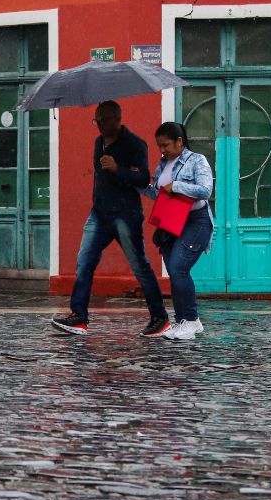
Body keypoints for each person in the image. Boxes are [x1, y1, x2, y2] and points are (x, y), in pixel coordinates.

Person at [52, 101, 170, 337]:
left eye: (104, 120)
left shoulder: (135, 144)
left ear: (117, 119)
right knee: (84, 261)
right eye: (97, 121)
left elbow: (144, 177)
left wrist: (119, 169)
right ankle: (79, 317)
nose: (100, 126)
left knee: (140, 266)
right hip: (99, 213)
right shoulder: (99, 143)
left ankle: (160, 318)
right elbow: (101, 175)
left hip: (126, 215)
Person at [140, 121, 214, 341]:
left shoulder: (197, 161)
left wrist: (178, 186)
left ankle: (190, 320)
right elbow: (158, 194)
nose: (162, 150)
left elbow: (205, 190)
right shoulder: (163, 164)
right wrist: (140, 183)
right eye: (159, 146)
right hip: (171, 222)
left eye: (166, 145)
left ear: (180, 141)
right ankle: (185, 321)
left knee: (179, 267)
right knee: (174, 271)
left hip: (196, 221)